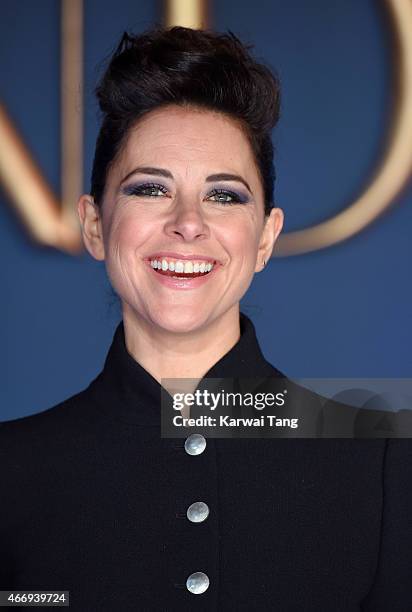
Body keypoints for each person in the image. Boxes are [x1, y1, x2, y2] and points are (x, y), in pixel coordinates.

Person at [0, 25, 411, 611]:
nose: (188, 223)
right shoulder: (12, 469)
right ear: (95, 224)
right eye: (149, 189)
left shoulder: (383, 464)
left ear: (265, 238)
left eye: (225, 196)